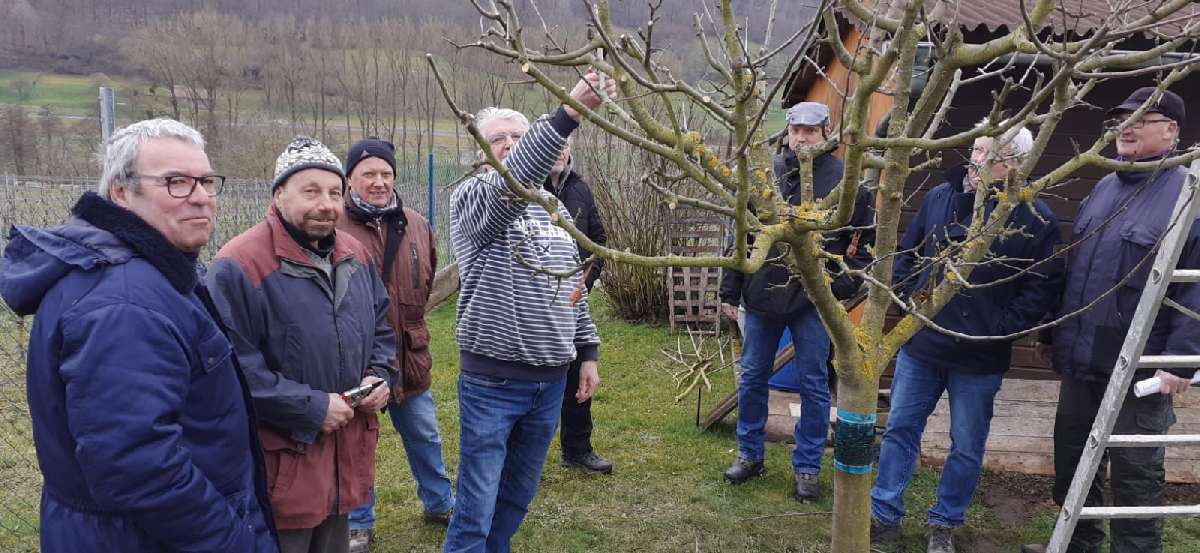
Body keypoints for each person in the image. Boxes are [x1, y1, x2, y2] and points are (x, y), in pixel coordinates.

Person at [0, 118, 277, 552]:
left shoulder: (153, 275)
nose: (201, 197)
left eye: (206, 181)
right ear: (121, 192)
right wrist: (234, 541)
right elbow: (138, 467)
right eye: (176, 182)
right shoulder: (124, 303)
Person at [868, 123, 1063, 553]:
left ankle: (945, 524)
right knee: (900, 429)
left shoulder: (1036, 218)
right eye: (975, 150)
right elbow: (907, 254)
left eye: (989, 153)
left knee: (967, 445)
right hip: (923, 345)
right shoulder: (941, 197)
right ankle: (884, 514)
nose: (976, 160)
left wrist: (996, 330)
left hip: (979, 357)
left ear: (1017, 163)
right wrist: (909, 301)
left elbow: (1041, 288)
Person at [443, 71, 613, 553]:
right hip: (493, 383)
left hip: (550, 383)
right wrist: (567, 114)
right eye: (499, 139)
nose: (511, 145)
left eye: (519, 137)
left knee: (517, 496)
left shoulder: (554, 209)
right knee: (475, 509)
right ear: (480, 152)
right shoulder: (475, 198)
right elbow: (512, 184)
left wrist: (588, 350)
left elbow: (572, 286)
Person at [1023, 88, 1197, 553]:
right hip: (1082, 358)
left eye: (1140, 119)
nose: (1126, 127)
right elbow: (1077, 269)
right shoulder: (1104, 188)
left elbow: (1197, 286)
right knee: (1072, 458)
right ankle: (1079, 543)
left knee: (1135, 472)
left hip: (1140, 364)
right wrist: (1052, 332)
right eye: (1121, 118)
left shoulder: (1187, 195)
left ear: (1171, 130)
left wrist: (1179, 361)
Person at [207, 136, 396, 553]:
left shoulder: (356, 255)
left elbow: (381, 328)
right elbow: (232, 369)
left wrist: (380, 375)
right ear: (279, 195)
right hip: (282, 466)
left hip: (344, 458)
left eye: (334, 193)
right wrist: (310, 407)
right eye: (310, 191)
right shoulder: (239, 266)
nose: (326, 205)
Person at [718, 101, 874, 502]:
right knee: (753, 377)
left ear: (826, 133)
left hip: (813, 302)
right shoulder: (765, 175)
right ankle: (750, 454)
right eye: (796, 131)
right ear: (787, 132)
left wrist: (839, 287)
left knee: (814, 385)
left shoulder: (846, 182)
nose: (801, 138)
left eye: (810, 131)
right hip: (762, 293)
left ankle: (807, 467)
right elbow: (740, 236)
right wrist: (729, 290)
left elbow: (864, 243)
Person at [338, 138, 453, 552]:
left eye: (386, 173)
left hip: (409, 356)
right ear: (349, 178)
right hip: (355, 360)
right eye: (368, 173)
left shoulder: (417, 224)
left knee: (425, 436)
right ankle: (358, 523)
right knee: (356, 445)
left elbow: (429, 277)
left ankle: (440, 503)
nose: (379, 181)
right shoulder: (333, 225)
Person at [544, 137, 614, 474]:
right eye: (554, 145)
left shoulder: (580, 188)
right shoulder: (527, 190)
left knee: (578, 375)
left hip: (573, 303)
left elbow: (599, 241)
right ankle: (520, 455)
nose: (560, 151)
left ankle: (577, 449)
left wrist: (585, 282)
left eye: (565, 146)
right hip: (536, 303)